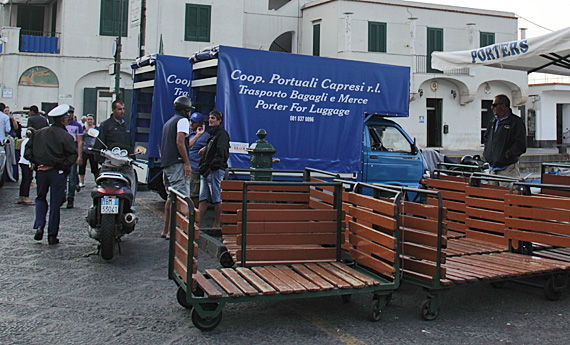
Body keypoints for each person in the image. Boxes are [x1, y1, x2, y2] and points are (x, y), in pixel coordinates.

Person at [25, 104, 78, 245]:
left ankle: (40, 224)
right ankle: (52, 234)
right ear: (64, 120)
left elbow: (27, 152)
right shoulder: (66, 136)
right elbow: (72, 156)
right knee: (55, 204)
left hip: (41, 172)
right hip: (57, 173)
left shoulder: (38, 133)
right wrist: (58, 165)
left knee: (40, 198)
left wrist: (37, 163)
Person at [160, 96, 205, 239]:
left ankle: (166, 230)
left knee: (171, 197)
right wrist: (187, 163)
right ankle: (184, 232)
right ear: (186, 110)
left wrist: (197, 136)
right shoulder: (183, 121)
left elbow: (185, 145)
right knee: (184, 198)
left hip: (167, 164)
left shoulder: (169, 122)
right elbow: (180, 143)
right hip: (177, 164)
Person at [93, 100, 136, 198]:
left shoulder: (127, 125)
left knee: (132, 184)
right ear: (113, 110)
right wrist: (102, 161)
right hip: (110, 163)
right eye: (119, 109)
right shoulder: (106, 125)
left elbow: (130, 144)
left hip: (124, 163)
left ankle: (130, 206)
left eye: (123, 109)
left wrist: (132, 157)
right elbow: (99, 144)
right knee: (100, 186)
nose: (122, 111)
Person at [483, 94, 527, 186]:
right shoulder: (492, 122)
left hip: (507, 169)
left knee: (508, 196)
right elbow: (486, 138)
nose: (492, 108)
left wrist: (507, 155)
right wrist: (487, 154)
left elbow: (521, 145)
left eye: (495, 105)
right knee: (493, 197)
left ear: (503, 106)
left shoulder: (516, 122)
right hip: (492, 168)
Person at [198, 110, 230, 230]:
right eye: (210, 118)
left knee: (217, 198)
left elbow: (220, 153)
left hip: (214, 170)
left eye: (213, 118)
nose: (210, 120)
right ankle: (197, 224)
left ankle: (217, 225)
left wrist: (211, 167)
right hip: (207, 170)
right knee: (203, 197)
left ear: (219, 121)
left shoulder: (221, 134)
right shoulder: (213, 135)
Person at [188, 112, 210, 208]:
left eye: (194, 122)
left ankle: (194, 214)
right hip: (187, 168)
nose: (191, 124)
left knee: (194, 195)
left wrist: (206, 148)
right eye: (191, 121)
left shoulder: (205, 136)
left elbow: (211, 146)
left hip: (195, 169)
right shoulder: (189, 133)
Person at [64, 106, 84, 208]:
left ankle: (70, 199)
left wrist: (79, 156)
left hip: (72, 153)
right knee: (62, 177)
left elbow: (80, 141)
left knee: (71, 177)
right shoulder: (61, 125)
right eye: (68, 113)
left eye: (71, 112)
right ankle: (62, 196)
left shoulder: (77, 125)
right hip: (62, 154)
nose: (69, 115)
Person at [79, 114, 99, 187]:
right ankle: (82, 181)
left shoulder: (96, 128)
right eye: (88, 119)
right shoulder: (83, 128)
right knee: (82, 166)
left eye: (91, 119)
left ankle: (96, 181)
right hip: (84, 149)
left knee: (94, 167)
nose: (90, 121)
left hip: (93, 150)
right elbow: (80, 138)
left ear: (93, 120)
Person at [17, 128, 35, 205]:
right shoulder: (31, 142)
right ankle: (26, 197)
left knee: (24, 180)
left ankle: (21, 196)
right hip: (27, 162)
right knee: (27, 180)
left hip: (22, 161)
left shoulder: (24, 141)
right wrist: (32, 162)